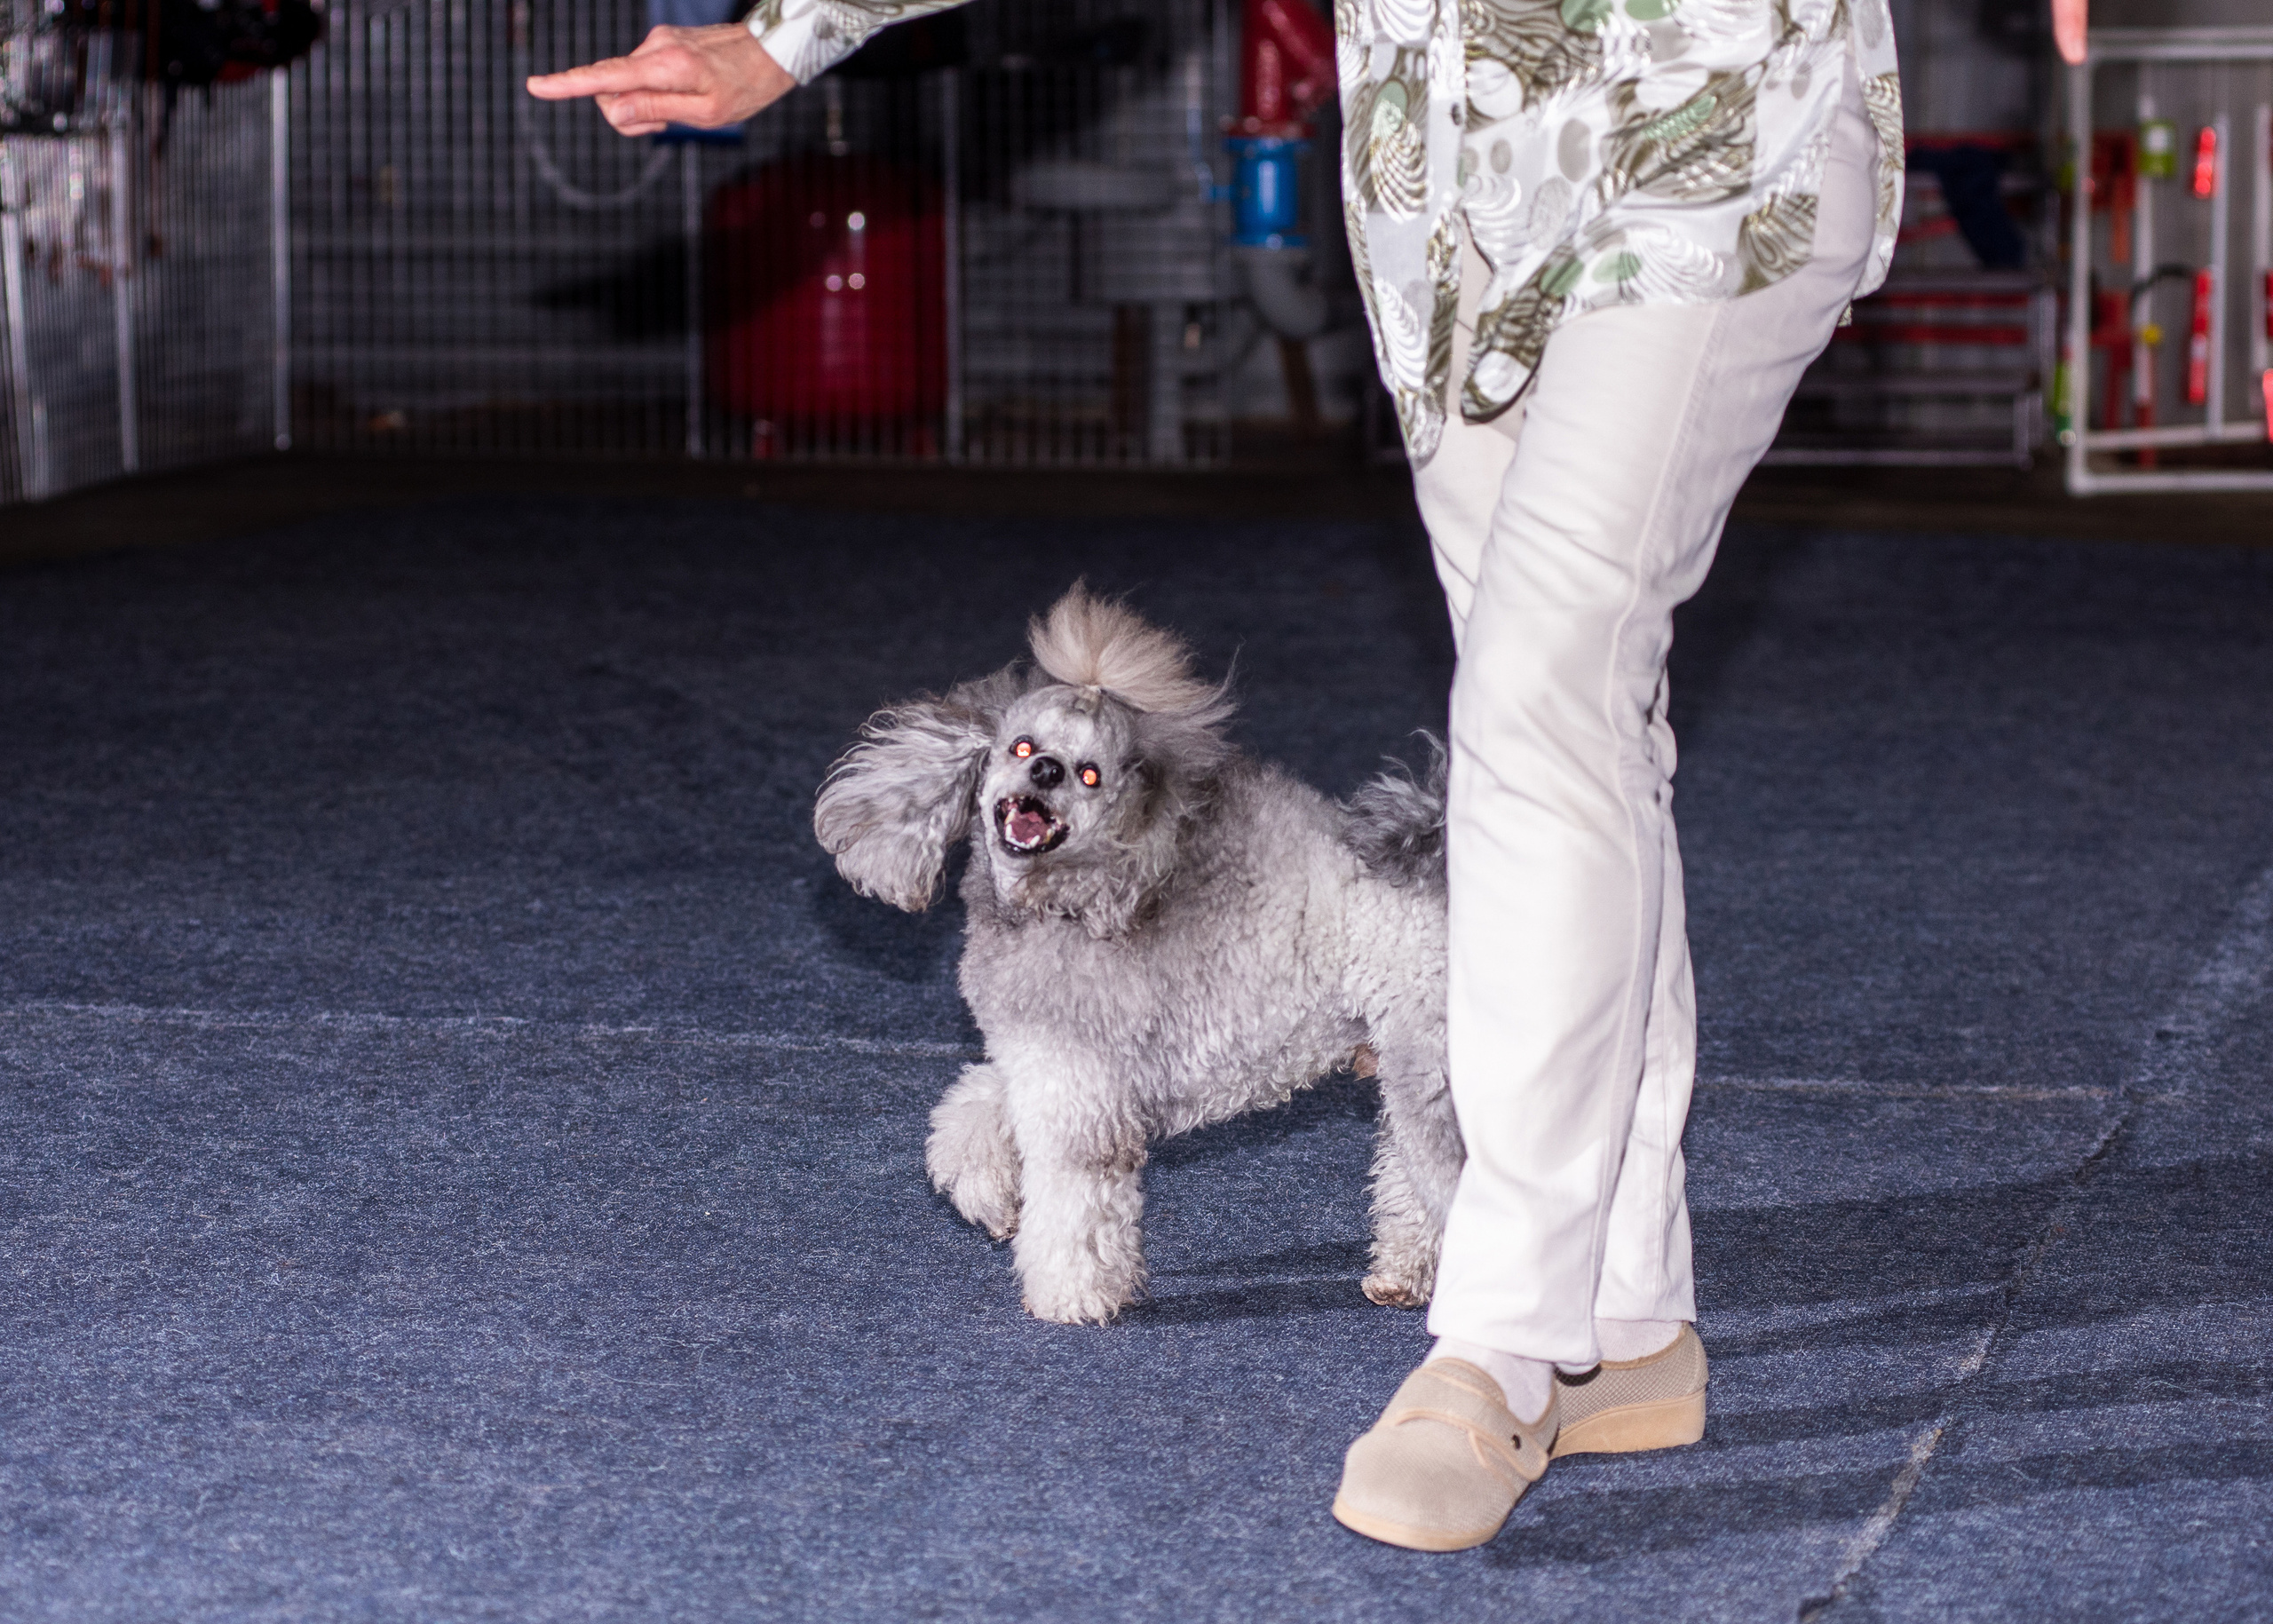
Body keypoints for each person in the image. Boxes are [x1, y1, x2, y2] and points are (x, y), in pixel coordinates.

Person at [531, 0, 1902, 1553]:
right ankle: (1630, 1312)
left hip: (1707, 123)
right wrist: (797, 37)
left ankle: (1506, 1329)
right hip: (1451, 195)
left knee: (1538, 698)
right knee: (1583, 727)